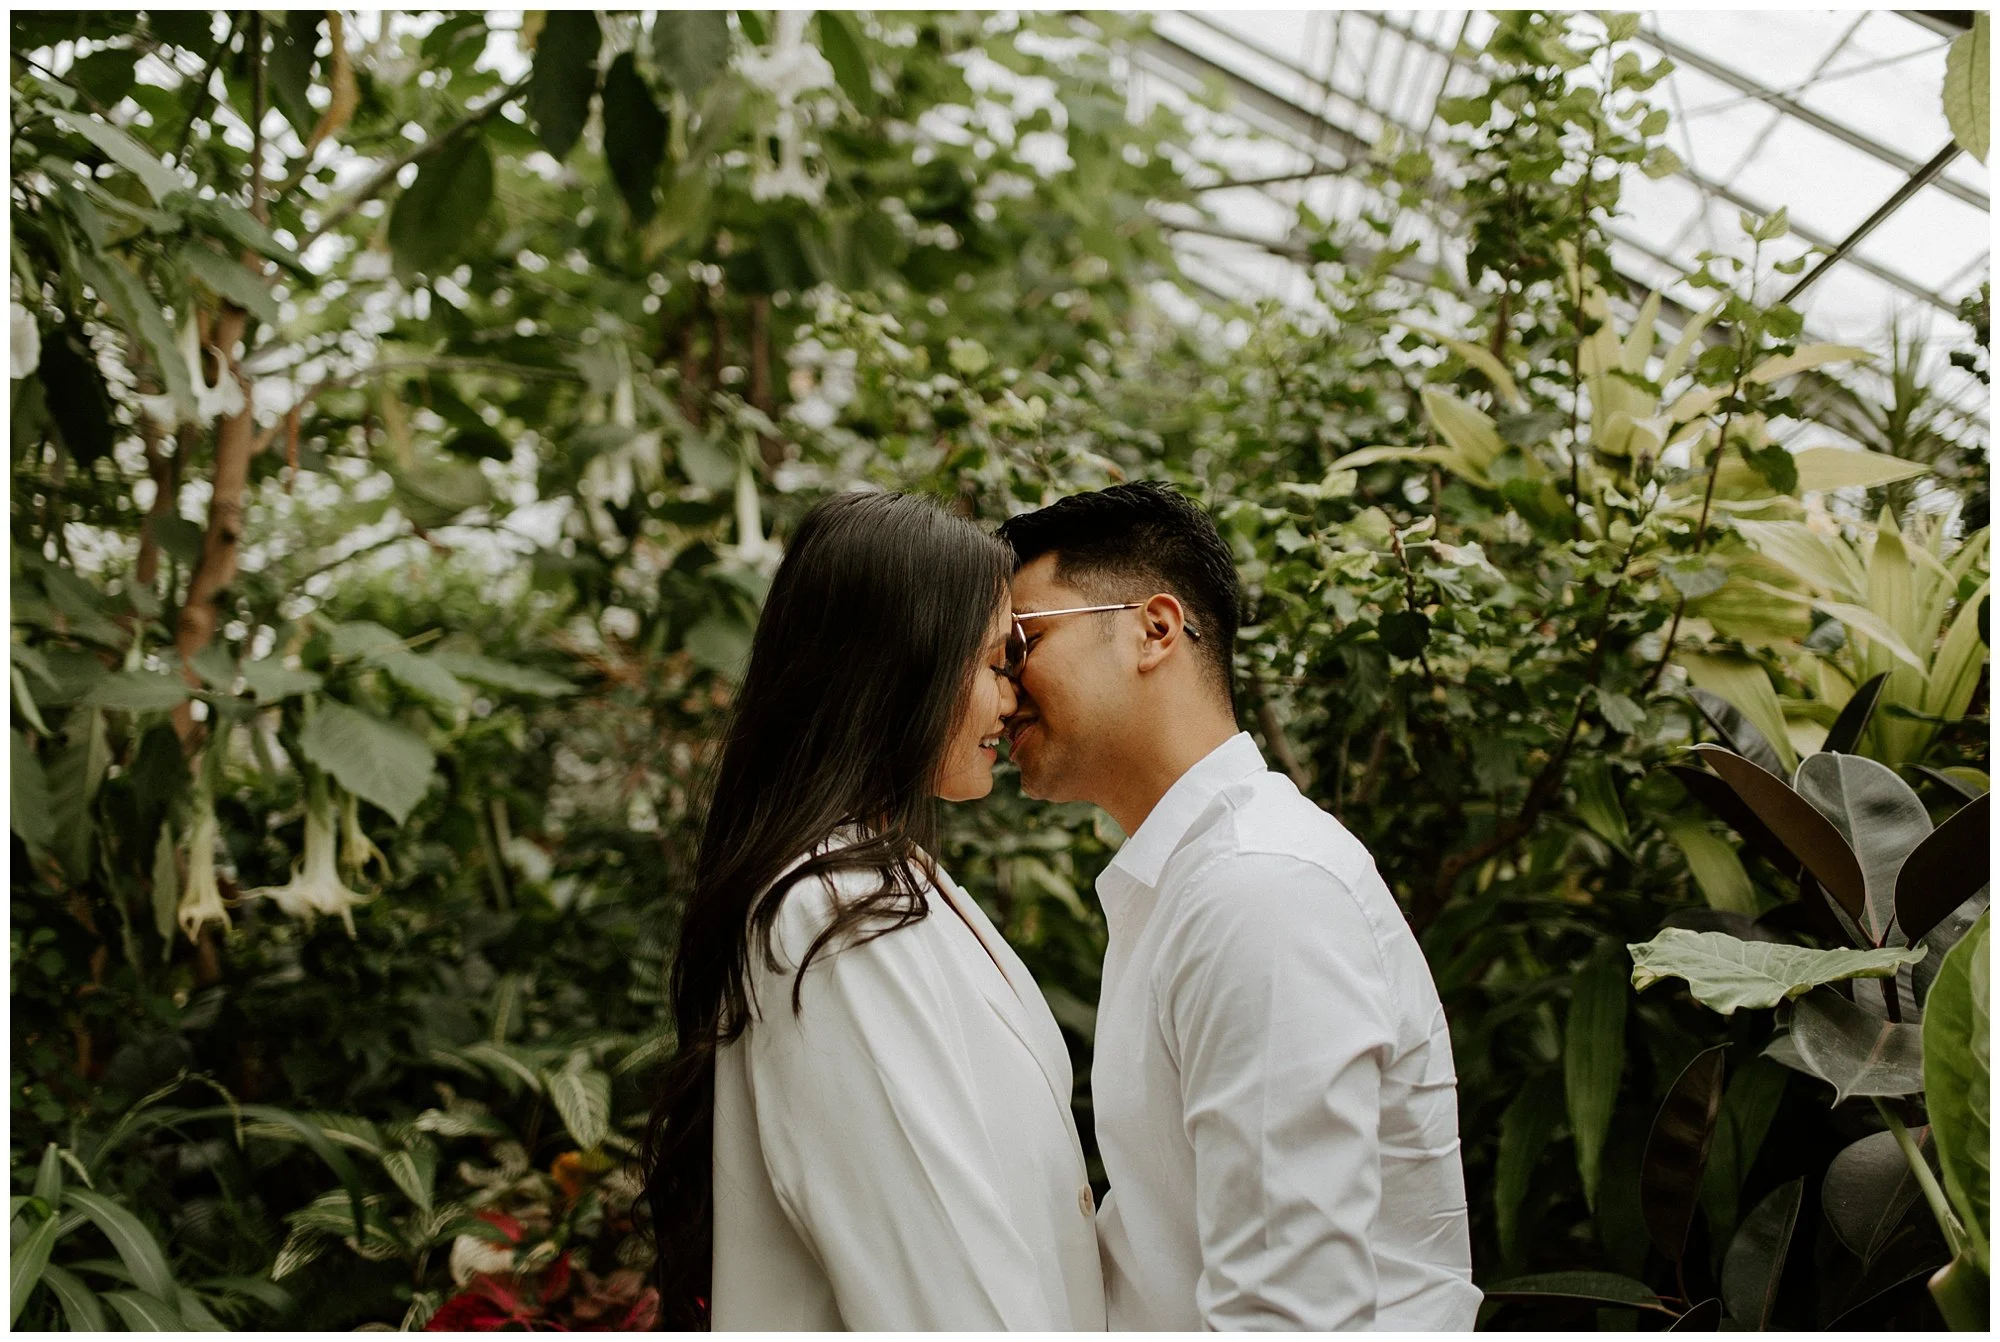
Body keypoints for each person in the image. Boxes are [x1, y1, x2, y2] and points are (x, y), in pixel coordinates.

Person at [996, 481, 1482, 1331]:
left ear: (1155, 630)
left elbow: (1288, 1314)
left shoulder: (1259, 890)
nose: (1003, 686)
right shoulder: (1193, 879)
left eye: (1023, 641)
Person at [643, 491, 1105, 1331]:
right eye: (998, 662)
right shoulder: (833, 916)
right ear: (905, 666)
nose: (1014, 700)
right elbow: (936, 1280)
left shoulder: (888, 880)